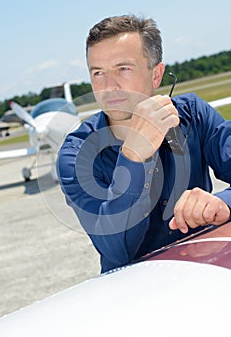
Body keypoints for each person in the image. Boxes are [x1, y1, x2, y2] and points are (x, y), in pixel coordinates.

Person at [57, 14, 231, 273]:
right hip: (135, 290)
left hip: (204, 272)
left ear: (156, 74)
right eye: (98, 73)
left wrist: (223, 203)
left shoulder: (193, 114)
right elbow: (118, 250)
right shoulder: (76, 155)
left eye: (123, 69)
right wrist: (134, 156)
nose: (108, 86)